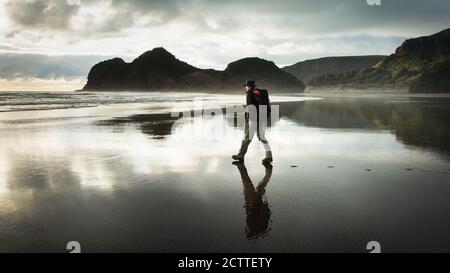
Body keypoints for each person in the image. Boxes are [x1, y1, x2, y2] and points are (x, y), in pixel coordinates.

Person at [232, 80, 273, 164]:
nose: (245, 87)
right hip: (263, 117)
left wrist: (249, 118)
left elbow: (251, 107)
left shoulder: (250, 93)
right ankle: (269, 155)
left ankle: (240, 155)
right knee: (261, 136)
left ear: (248, 86)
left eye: (246, 86)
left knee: (247, 137)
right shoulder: (259, 93)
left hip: (254, 119)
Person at [233, 161, 273, 239]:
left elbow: (254, 213)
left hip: (255, 203)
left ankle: (268, 171)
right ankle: (241, 166)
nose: (247, 231)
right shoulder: (255, 225)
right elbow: (252, 213)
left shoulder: (255, 225)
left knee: (257, 185)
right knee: (247, 181)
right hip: (254, 203)